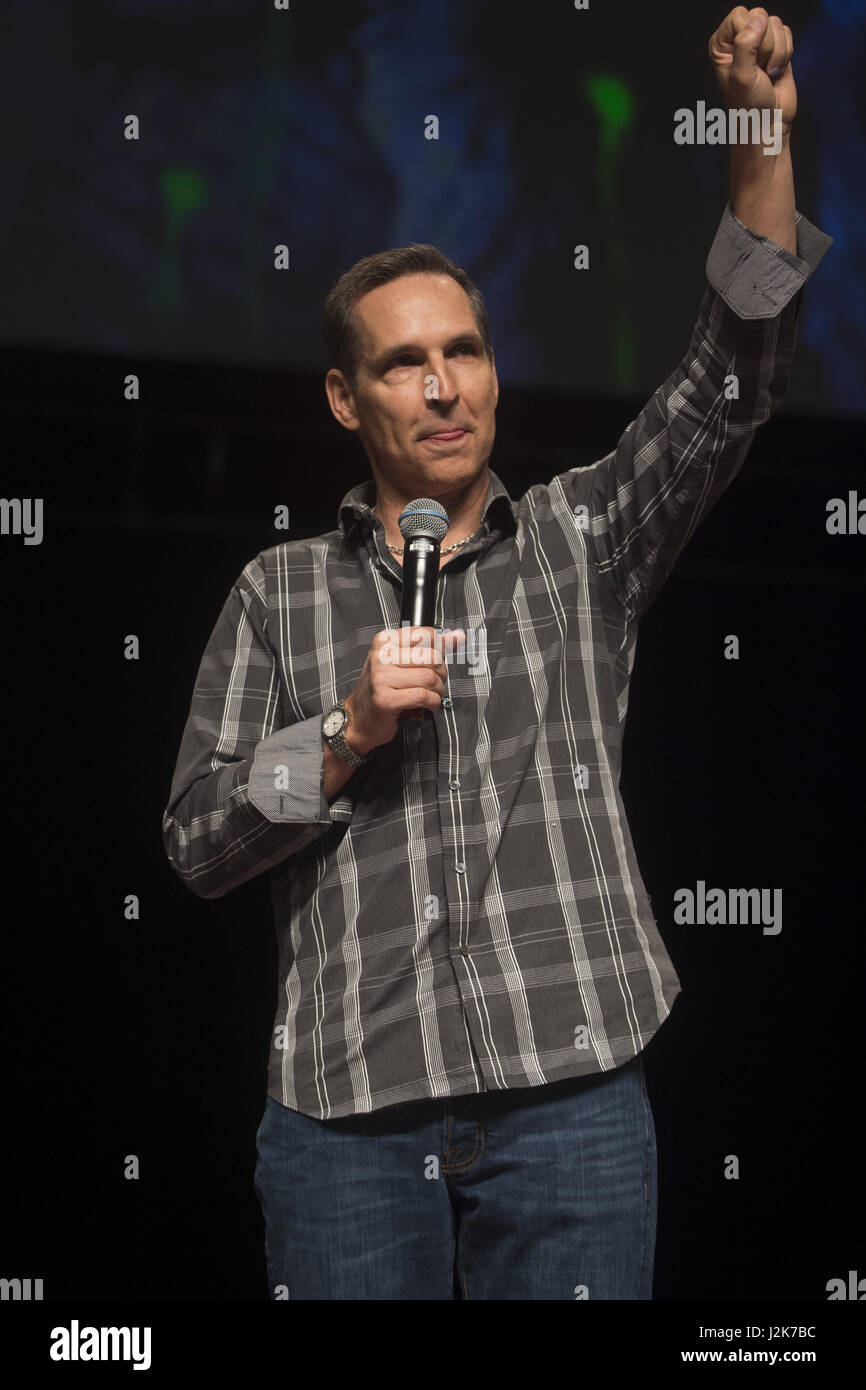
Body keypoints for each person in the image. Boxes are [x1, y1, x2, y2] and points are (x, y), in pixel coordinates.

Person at [163, 7, 832, 1299]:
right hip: (349, 1114)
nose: (443, 386)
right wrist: (344, 733)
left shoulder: (583, 537)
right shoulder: (279, 590)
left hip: (567, 1094)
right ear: (346, 399)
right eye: (404, 364)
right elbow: (195, 842)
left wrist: (754, 132)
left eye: (462, 351)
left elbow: (729, 372)